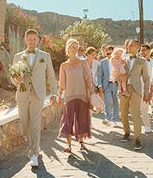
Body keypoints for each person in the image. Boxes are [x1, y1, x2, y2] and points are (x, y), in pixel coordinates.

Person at [10, 29, 57, 168]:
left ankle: (34, 153)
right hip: (22, 94)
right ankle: (33, 147)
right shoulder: (18, 56)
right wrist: (16, 80)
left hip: (38, 94)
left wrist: (54, 93)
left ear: (38, 40)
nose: (32, 41)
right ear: (25, 40)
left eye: (34, 39)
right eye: (29, 39)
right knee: (25, 124)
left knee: (35, 124)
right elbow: (12, 76)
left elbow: (51, 76)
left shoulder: (45, 56)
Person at [58, 39, 93, 153]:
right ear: (67, 48)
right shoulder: (63, 65)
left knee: (81, 120)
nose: (75, 49)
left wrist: (90, 95)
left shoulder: (83, 62)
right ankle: (69, 146)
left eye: (76, 47)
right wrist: (59, 95)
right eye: (72, 47)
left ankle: (82, 144)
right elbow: (62, 83)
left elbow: (88, 79)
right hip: (69, 96)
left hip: (82, 95)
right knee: (68, 120)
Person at [119, 39, 150, 151]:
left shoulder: (143, 61)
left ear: (137, 48)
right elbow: (117, 73)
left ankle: (137, 139)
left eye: (132, 45)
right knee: (123, 113)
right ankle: (126, 132)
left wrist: (146, 93)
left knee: (136, 114)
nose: (129, 47)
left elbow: (146, 79)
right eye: (129, 45)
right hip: (123, 89)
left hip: (136, 90)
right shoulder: (122, 60)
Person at [97, 45, 119, 126]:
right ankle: (108, 118)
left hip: (116, 84)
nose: (109, 54)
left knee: (116, 101)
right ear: (105, 52)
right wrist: (99, 85)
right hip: (106, 85)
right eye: (107, 53)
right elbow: (99, 75)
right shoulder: (102, 62)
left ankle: (115, 118)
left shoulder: (118, 61)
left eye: (111, 53)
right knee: (108, 101)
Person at [140, 44, 153, 133]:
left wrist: (151, 89)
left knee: (149, 107)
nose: (142, 52)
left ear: (149, 51)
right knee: (142, 108)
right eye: (141, 50)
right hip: (140, 87)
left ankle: (150, 124)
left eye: (144, 50)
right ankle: (145, 126)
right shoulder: (138, 61)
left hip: (151, 88)